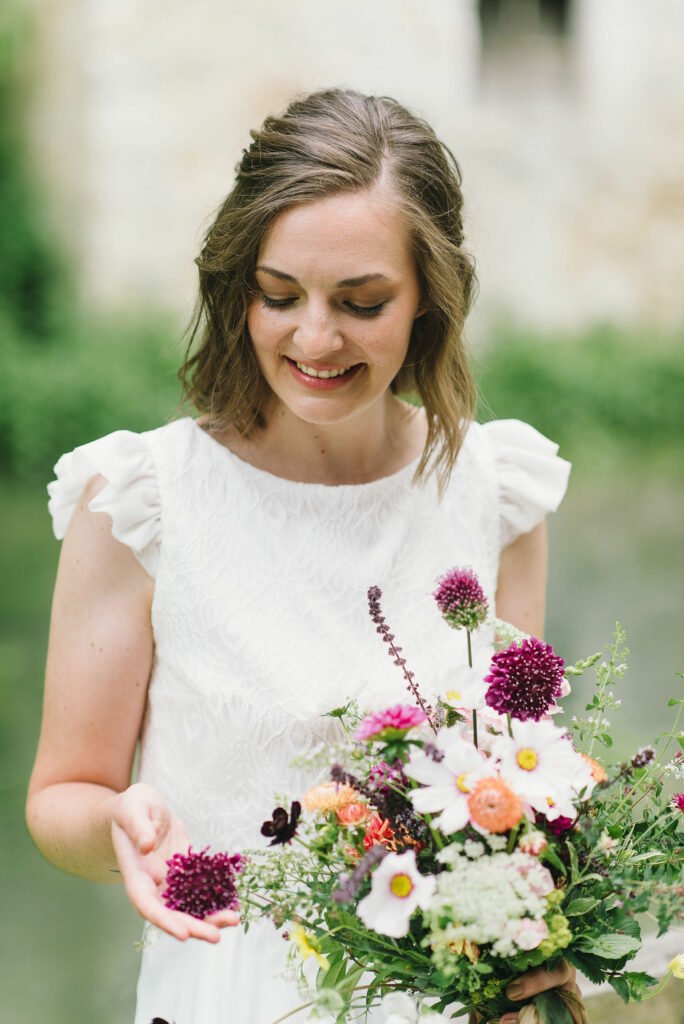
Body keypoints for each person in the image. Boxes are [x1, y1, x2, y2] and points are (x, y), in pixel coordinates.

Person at [27, 88, 585, 1024]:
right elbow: (62, 797)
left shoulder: (500, 492)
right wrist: (119, 826)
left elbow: (514, 781)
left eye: (361, 303)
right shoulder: (141, 500)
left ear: (427, 305)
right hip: (225, 991)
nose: (314, 338)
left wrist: (540, 921)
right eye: (279, 296)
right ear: (237, 284)